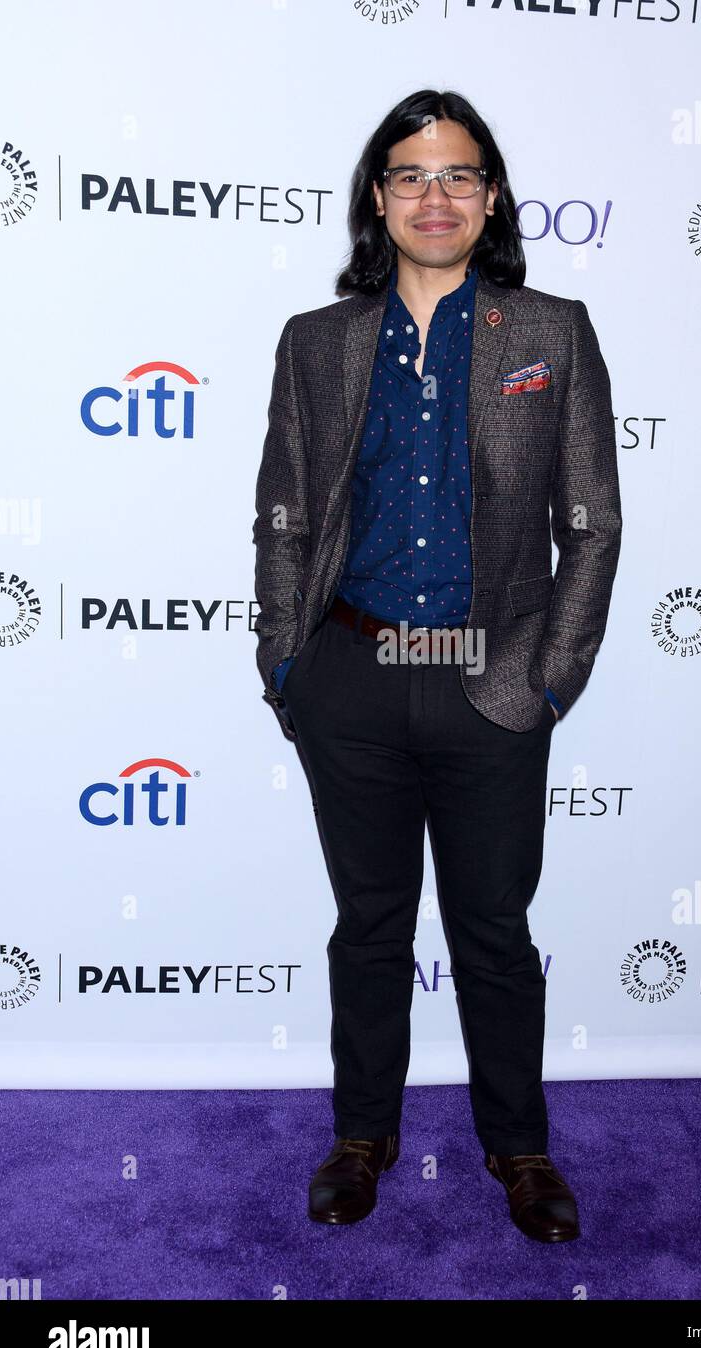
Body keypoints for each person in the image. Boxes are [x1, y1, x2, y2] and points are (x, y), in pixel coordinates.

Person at [252, 89, 622, 1243]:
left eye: (459, 174)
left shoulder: (551, 331)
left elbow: (593, 523)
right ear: (379, 197)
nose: (436, 196)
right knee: (370, 927)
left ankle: (520, 1151)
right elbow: (285, 514)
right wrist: (285, 663)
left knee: (493, 935)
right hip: (351, 679)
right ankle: (361, 1137)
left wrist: (552, 676)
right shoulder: (318, 340)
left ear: (492, 194)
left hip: (494, 683)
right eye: (410, 175)